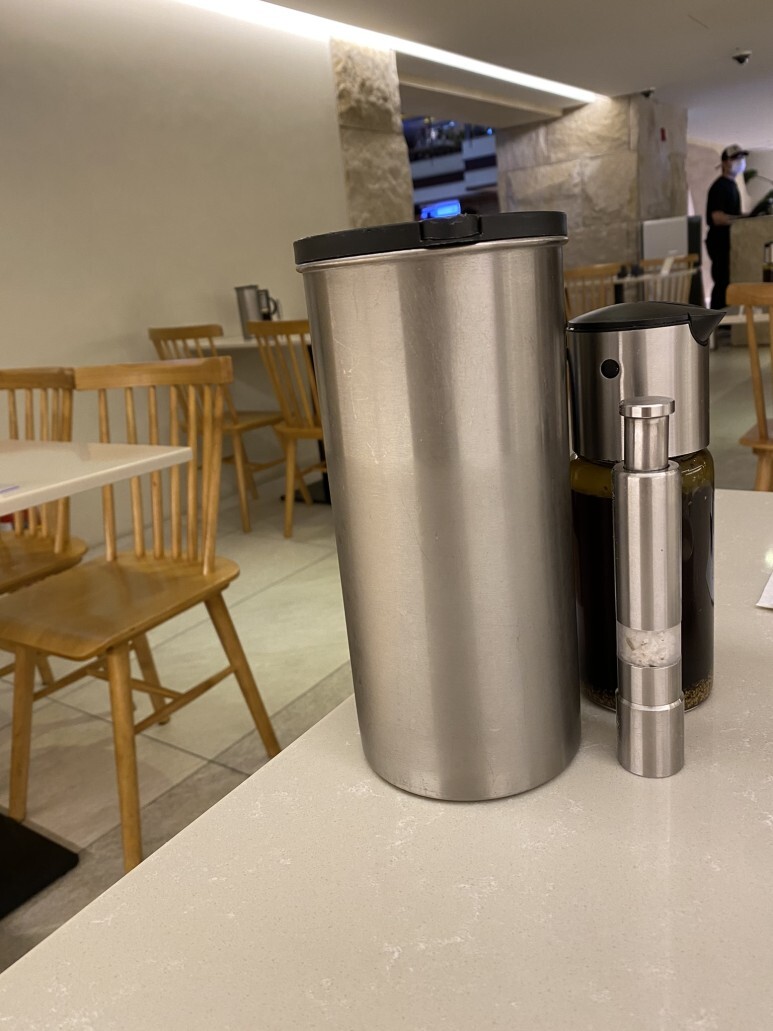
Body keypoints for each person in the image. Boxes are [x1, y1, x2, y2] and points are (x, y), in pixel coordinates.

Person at [705, 144, 748, 308]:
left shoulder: (733, 186)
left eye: (741, 158)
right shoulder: (720, 186)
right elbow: (717, 217)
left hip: (730, 241)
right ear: (724, 162)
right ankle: (719, 318)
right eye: (735, 158)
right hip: (720, 242)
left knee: (729, 281)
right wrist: (739, 219)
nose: (740, 161)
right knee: (722, 282)